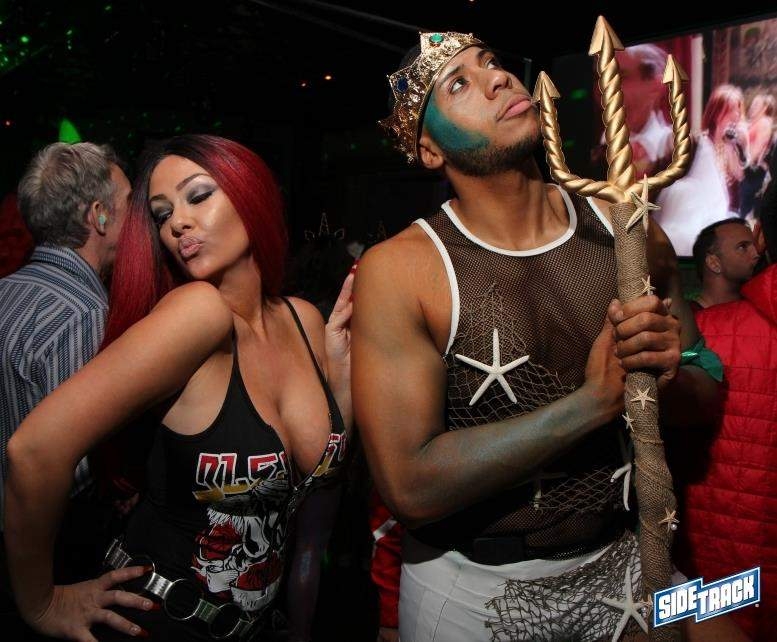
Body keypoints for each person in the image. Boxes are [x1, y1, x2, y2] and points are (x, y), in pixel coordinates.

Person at [352, 31, 720, 641]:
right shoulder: (402, 271)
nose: (498, 78)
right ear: (428, 149)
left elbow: (706, 395)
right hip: (471, 591)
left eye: (491, 62)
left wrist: (665, 376)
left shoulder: (628, 230)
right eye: (460, 84)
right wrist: (593, 403)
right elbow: (409, 486)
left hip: (626, 562)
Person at [5, 134, 353, 641]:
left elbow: (320, 490)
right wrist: (39, 603)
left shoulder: (302, 319)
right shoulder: (197, 313)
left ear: (250, 192)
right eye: (163, 214)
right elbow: (33, 449)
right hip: (160, 620)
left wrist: (340, 380)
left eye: (198, 195)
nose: (177, 224)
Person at [0, 142, 131, 589]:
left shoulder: (6, 290)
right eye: (129, 202)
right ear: (99, 216)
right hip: (54, 553)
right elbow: (71, 468)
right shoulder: (84, 314)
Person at [672, 177, 777, 640]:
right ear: (712, 262)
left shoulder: (717, 330)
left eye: (751, 243)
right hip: (715, 568)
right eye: (740, 246)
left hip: (719, 571)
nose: (751, 254)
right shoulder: (693, 333)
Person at [655, 84, 750, 257]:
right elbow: (707, 188)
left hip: (719, 212)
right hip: (697, 212)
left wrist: (739, 145)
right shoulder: (703, 144)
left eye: (738, 110)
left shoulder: (729, 145)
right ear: (717, 112)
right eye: (731, 110)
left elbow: (739, 175)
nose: (736, 115)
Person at [592, 44, 673, 179]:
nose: (603, 89)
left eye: (620, 76)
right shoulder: (591, 151)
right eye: (599, 78)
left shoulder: (686, 151)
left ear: (655, 86)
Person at [690, 218, 760, 310]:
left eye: (754, 246)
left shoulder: (757, 310)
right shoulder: (687, 317)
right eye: (742, 247)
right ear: (713, 263)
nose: (756, 254)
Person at [740, 93, 775, 219]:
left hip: (751, 175)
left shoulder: (764, 122)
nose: (752, 107)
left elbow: (755, 151)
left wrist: (741, 167)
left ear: (764, 108)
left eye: (756, 104)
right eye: (753, 104)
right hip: (747, 173)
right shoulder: (755, 122)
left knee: (742, 213)